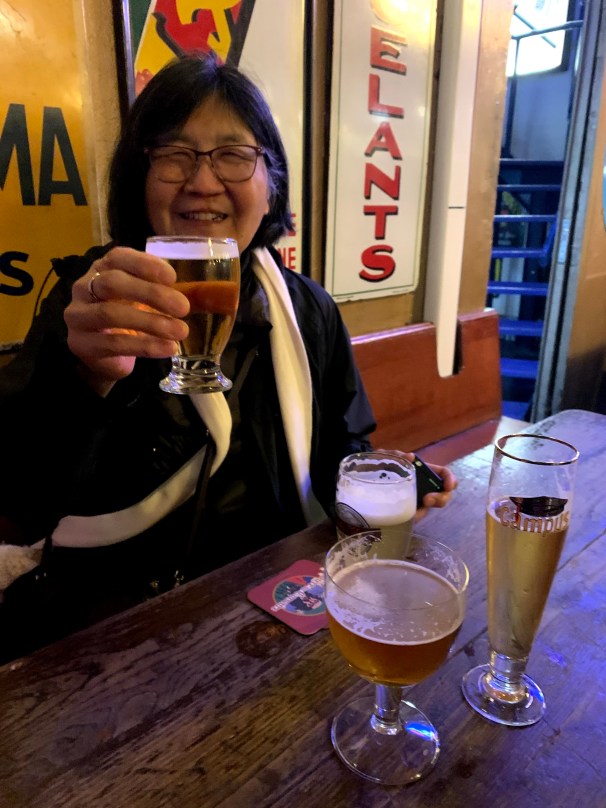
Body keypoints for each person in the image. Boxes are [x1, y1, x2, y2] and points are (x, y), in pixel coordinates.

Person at [0, 53, 456, 659]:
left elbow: (340, 452)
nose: (203, 181)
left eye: (234, 155)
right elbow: (21, 503)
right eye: (175, 154)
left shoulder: (308, 309)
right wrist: (79, 376)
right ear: (139, 177)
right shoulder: (93, 299)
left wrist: (380, 487)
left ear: (271, 184)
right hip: (116, 623)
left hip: (275, 603)